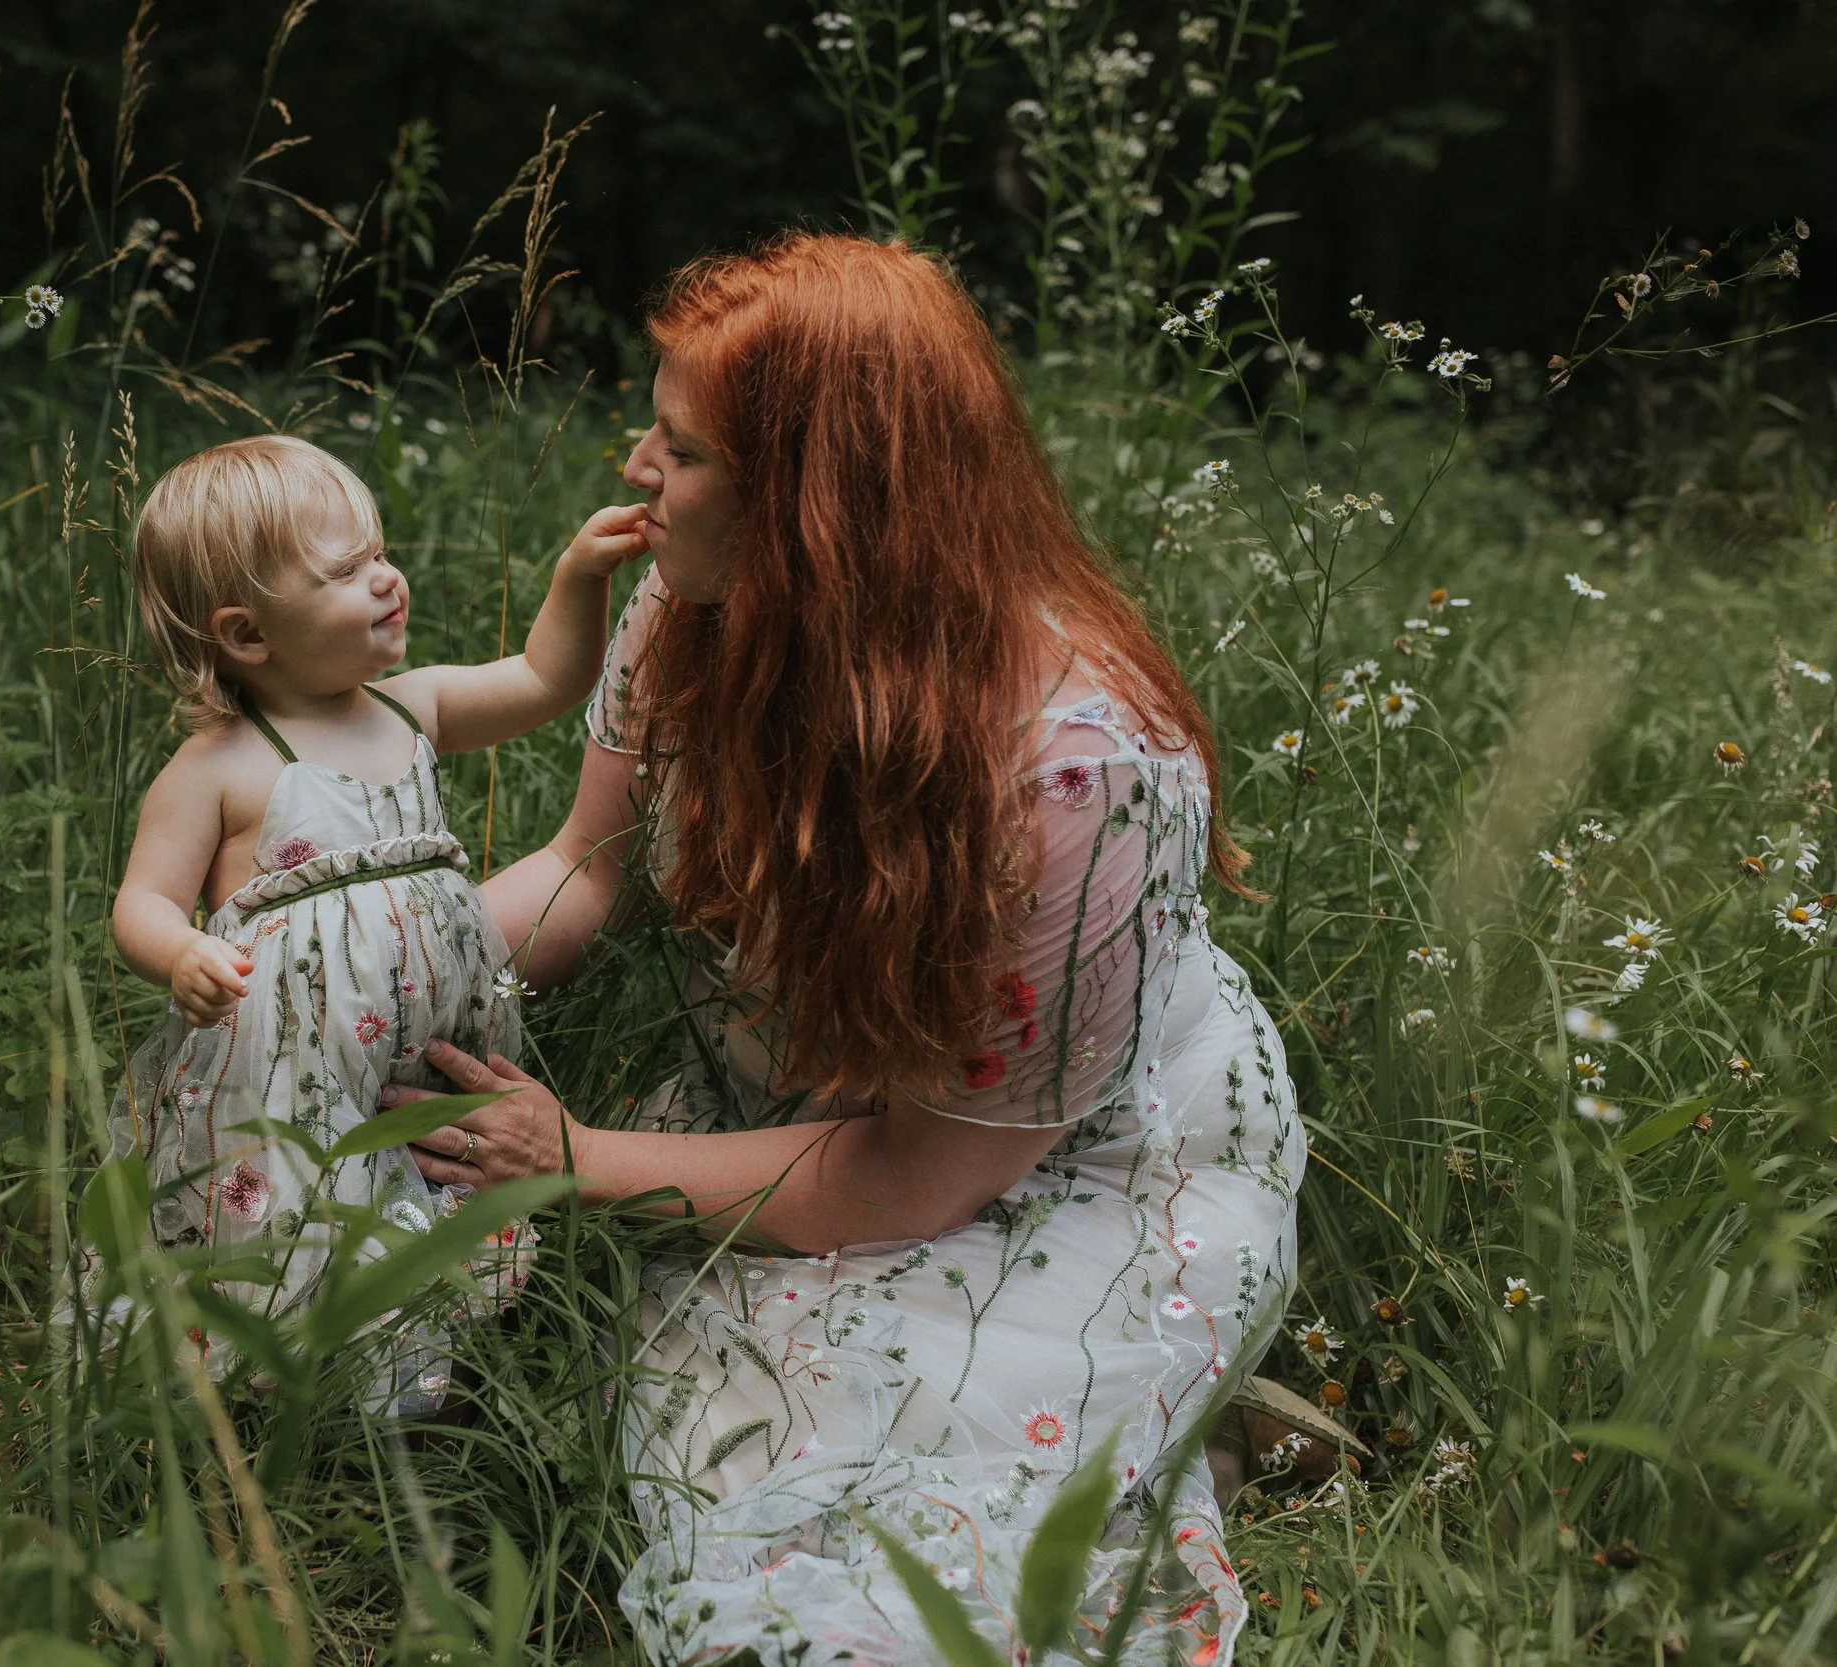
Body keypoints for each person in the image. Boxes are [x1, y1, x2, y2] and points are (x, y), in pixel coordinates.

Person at [376, 237, 1306, 1664]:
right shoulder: (694, 609)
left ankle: (1171, 1414)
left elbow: (917, 1172)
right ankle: (1176, 1421)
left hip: (1038, 1150)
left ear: (814, 505)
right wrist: (378, 962)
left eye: (681, 449)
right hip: (809, 1084)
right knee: (743, 1389)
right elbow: (586, 866)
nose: (637, 466)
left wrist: (575, 1152)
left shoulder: (1082, 772)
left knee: (810, 1466)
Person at [103, 433, 645, 1411]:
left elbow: (542, 680)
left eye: (379, 552)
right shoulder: (219, 766)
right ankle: (298, 1370)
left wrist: (577, 578)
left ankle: (430, 1338)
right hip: (290, 1061)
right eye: (348, 570)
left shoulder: (412, 704)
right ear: (248, 634)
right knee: (306, 1192)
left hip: (427, 1039)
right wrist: (181, 947)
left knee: (429, 1160)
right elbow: (140, 899)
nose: (388, 578)